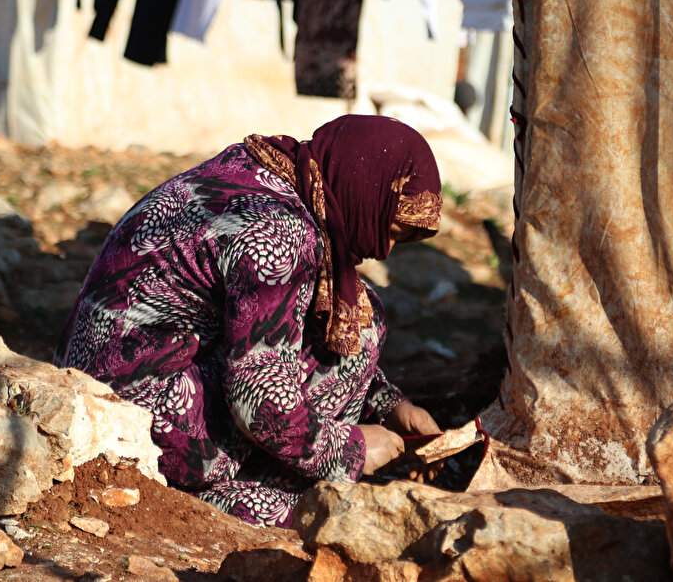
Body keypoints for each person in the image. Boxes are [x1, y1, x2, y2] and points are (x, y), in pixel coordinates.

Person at [53, 114, 444, 527]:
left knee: (348, 310)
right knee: (362, 327)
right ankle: (255, 495)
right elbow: (257, 394)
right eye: (392, 231)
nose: (383, 251)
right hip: (128, 420)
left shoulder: (259, 168)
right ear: (366, 190)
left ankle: (264, 479)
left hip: (94, 378)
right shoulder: (279, 232)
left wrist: (388, 403)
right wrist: (352, 449)